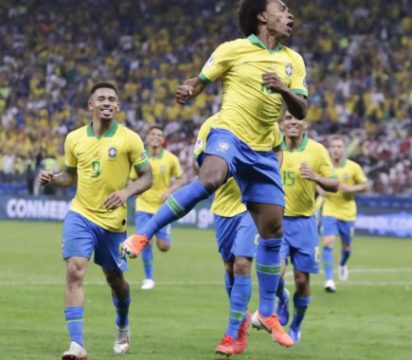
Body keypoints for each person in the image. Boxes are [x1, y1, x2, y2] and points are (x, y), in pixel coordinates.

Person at [121, 0, 306, 348]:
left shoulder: (293, 61)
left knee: (273, 230)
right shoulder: (231, 50)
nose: (290, 14)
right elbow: (200, 80)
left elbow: (302, 107)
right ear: (262, 16)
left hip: (264, 150)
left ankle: (266, 312)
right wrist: (189, 89)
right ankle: (143, 233)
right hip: (229, 134)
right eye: (282, 8)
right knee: (210, 178)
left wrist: (283, 88)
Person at [38, 82, 152, 359]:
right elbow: (70, 176)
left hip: (113, 223)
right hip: (81, 214)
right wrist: (54, 179)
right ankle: (77, 344)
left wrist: (126, 192)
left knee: (116, 280)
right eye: (100, 98)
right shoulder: (74, 138)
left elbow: (148, 177)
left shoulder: (130, 139)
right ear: (91, 105)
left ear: (118, 106)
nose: (106, 102)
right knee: (75, 271)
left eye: (112, 99)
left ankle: (122, 322)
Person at [193, 115, 278, 356]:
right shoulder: (211, 124)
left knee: (242, 264)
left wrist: (266, 180)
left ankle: (232, 334)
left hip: (251, 204)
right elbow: (197, 164)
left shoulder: (266, 120)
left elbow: (278, 150)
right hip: (223, 207)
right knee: (230, 267)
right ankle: (244, 320)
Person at [275, 111, 338, 343]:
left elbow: (335, 184)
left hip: (304, 223)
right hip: (276, 222)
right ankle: (281, 297)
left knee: (302, 281)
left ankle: (296, 325)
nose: (292, 122)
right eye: (288, 118)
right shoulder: (272, 147)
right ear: (281, 124)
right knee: (275, 273)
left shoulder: (317, 150)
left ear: (305, 124)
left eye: (297, 118)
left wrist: (316, 177)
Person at [131, 125, 185, 290]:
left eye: (159, 135)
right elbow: (131, 179)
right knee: (144, 242)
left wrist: (170, 190)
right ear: (147, 137)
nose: (156, 137)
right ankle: (149, 278)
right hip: (143, 205)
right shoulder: (139, 158)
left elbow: (181, 179)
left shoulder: (170, 159)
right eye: (153, 134)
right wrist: (135, 189)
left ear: (163, 140)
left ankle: (157, 235)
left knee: (163, 246)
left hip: (162, 207)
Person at [319, 136, 368, 292]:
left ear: (344, 149)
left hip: (348, 212)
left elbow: (365, 185)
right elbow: (313, 181)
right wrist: (321, 191)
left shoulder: (353, 167)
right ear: (329, 149)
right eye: (333, 146)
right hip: (330, 210)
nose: (335, 149)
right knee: (327, 242)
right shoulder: (325, 167)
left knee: (346, 247)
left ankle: (342, 263)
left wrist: (351, 189)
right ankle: (329, 280)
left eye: (339, 146)